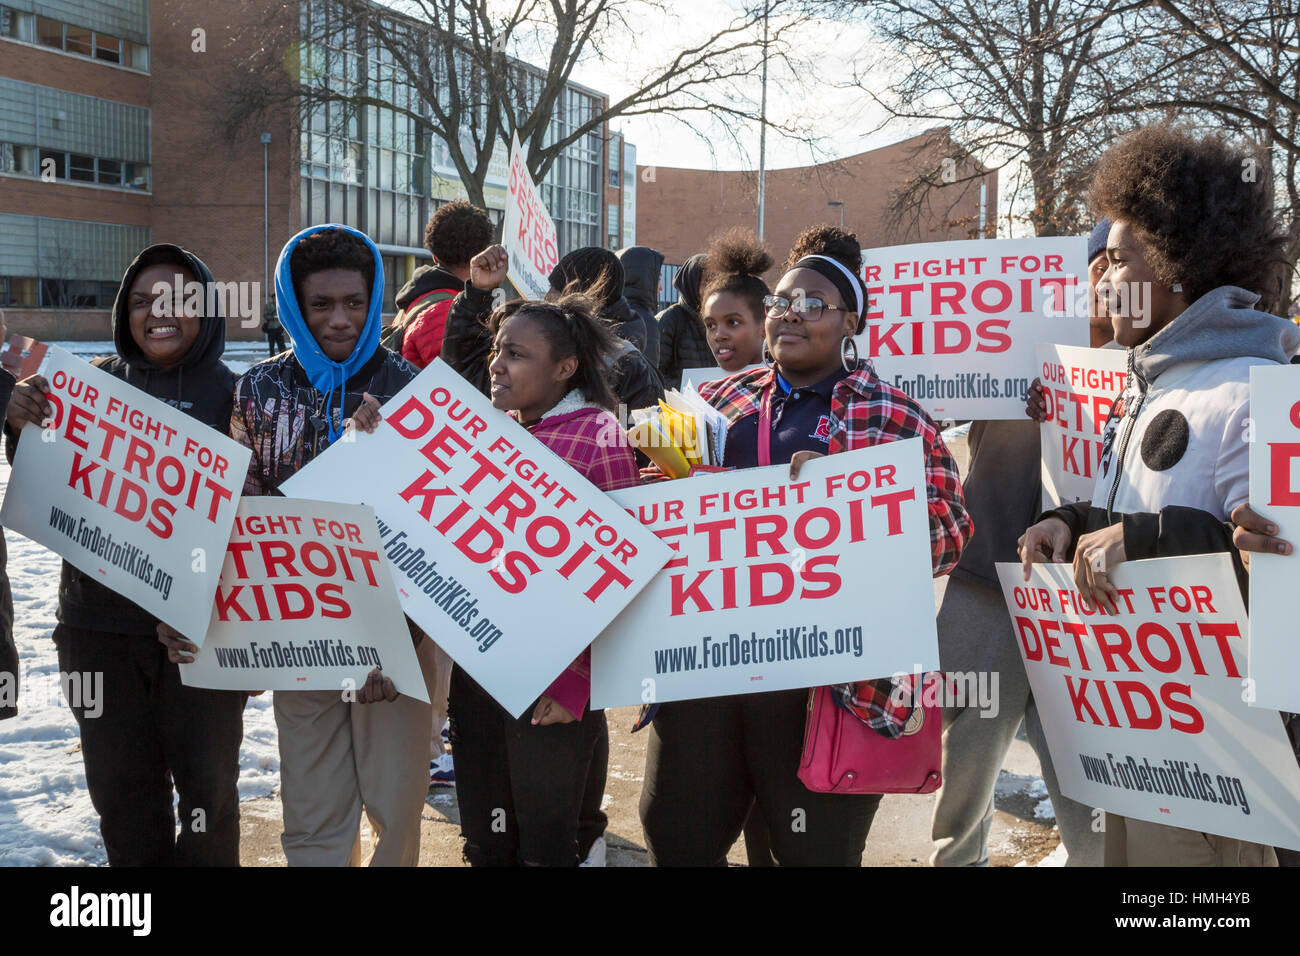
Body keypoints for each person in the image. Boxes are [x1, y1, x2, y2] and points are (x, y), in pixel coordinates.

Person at [638, 228, 972, 866]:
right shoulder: (713, 402)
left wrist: (848, 506)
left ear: (851, 321)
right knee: (677, 836)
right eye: (781, 303)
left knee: (810, 850)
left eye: (814, 304)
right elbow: (661, 518)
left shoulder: (894, 415)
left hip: (825, 680)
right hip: (709, 665)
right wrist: (663, 496)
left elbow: (950, 536)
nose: (789, 313)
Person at [1018, 125, 1297, 868]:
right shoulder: (1151, 384)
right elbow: (1143, 513)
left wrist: (1147, 540)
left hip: (1223, 759)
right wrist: (1070, 520)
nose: (1101, 277)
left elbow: (1284, 579)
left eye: (1119, 256)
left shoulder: (1255, 392)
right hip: (1146, 740)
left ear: (1179, 262)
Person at [202, 223, 438, 866]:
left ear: (375, 301)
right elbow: (242, 514)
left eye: (355, 303)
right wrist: (242, 632)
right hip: (298, 631)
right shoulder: (259, 390)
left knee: (395, 809)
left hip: (401, 637)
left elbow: (440, 537)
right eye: (321, 304)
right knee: (311, 809)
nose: (340, 319)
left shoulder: (415, 390)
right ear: (293, 307)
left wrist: (399, 643)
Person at [5, 244, 247, 865]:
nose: (156, 313)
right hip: (95, 630)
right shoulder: (87, 388)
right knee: (121, 796)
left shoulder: (242, 398)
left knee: (207, 800)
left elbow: (262, 519)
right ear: (123, 313)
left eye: (173, 299)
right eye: (141, 302)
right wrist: (20, 424)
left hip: (202, 638)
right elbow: (47, 485)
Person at [927, 219, 1114, 868]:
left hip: (1089, 602)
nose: (1106, 280)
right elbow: (925, 401)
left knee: (1089, 776)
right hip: (987, 584)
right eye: (1097, 264)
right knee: (968, 765)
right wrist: (1009, 394)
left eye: (1120, 264)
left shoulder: (1147, 366)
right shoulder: (1008, 342)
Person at [446, 244, 640, 866]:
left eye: (517, 355)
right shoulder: (494, 429)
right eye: (499, 350)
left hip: (553, 683)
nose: (497, 366)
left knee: (545, 840)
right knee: (486, 833)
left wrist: (576, 679)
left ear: (565, 369)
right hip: (481, 670)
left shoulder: (597, 435)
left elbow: (615, 572)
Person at [442, 245, 665, 416]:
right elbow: (468, 380)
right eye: (498, 350)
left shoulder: (631, 370)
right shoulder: (533, 349)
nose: (547, 298)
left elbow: (641, 450)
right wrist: (478, 294)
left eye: (555, 290)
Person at [391, 200, 495, 367]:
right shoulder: (446, 311)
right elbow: (464, 382)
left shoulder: (420, 298)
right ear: (482, 254)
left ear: (434, 256)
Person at [701, 228, 771, 374]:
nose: (718, 335)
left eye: (733, 322)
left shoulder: (792, 390)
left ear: (764, 327)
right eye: (711, 325)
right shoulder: (703, 391)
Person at [656, 253, 710, 389]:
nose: (714, 288)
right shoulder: (669, 320)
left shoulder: (721, 322)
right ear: (691, 284)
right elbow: (656, 377)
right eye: (707, 282)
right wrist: (690, 390)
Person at [616, 245, 665, 367]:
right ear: (644, 278)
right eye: (657, 279)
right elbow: (648, 378)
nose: (660, 288)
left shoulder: (608, 312)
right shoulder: (644, 320)